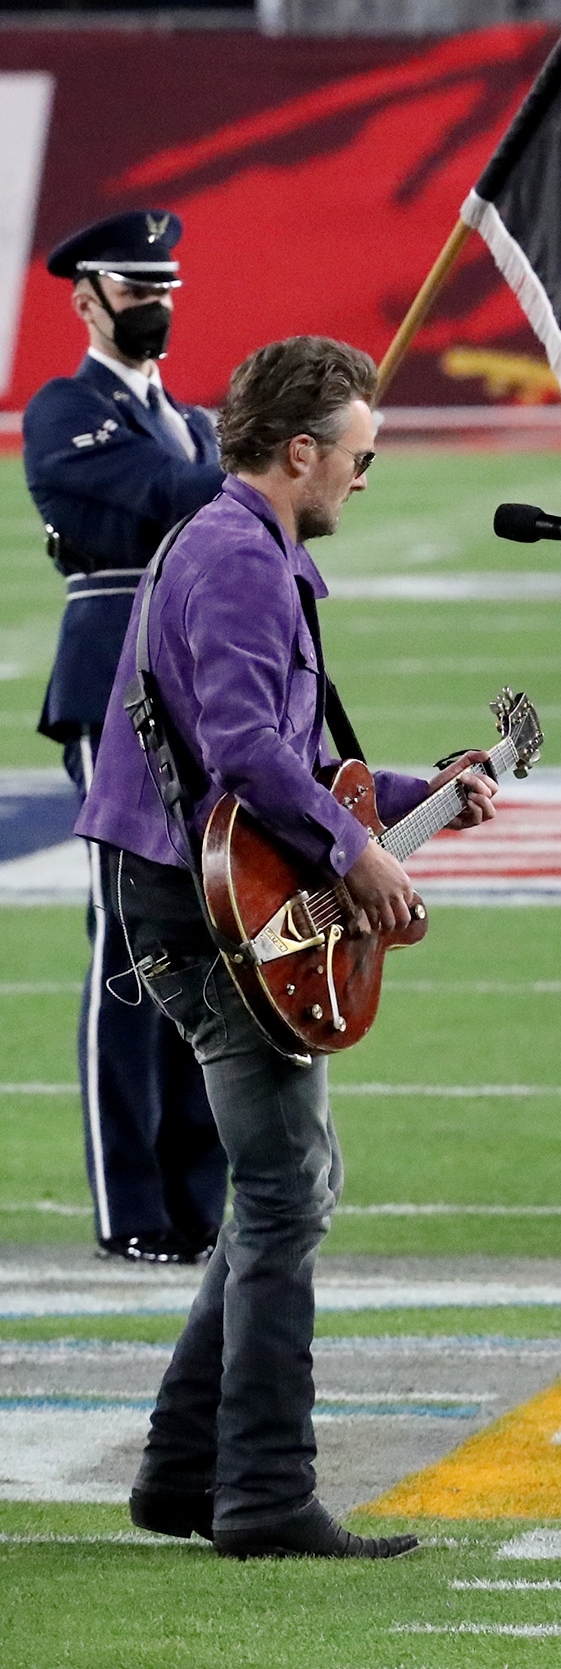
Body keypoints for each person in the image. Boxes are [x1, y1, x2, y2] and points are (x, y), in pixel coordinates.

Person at [75, 335, 500, 1557]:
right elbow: (250, 754)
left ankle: (181, 1472)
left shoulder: (229, 542)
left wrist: (421, 791)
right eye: (358, 456)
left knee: (285, 1185)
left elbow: (286, 760)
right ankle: (260, 1495)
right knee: (279, 1191)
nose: (365, 477)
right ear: (300, 449)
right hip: (204, 911)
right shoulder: (242, 560)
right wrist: (359, 856)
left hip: (191, 893)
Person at [23, 209, 229, 1266]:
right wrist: (257, 457)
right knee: (128, 947)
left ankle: (198, 1199)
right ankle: (132, 1203)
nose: (156, 305)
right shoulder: (66, 410)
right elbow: (165, 498)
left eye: (166, 289)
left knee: (206, 944)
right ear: (87, 297)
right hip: (112, 690)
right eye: (136, 288)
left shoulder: (192, 420)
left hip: (198, 687)